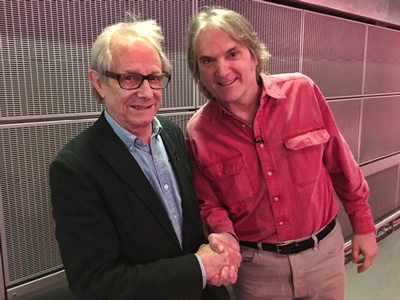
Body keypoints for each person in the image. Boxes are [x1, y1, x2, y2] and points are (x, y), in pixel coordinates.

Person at [185, 7, 378, 300]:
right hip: (257, 272)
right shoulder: (199, 131)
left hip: (324, 256)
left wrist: (363, 225)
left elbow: (340, 163)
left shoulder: (302, 91)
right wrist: (225, 241)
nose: (222, 70)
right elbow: (209, 203)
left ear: (253, 52)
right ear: (197, 69)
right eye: (208, 60)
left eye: (232, 54)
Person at [49, 16, 240, 300]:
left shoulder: (174, 134)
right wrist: (198, 267)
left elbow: (193, 219)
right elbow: (95, 284)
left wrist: (219, 241)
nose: (146, 92)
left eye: (154, 77)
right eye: (129, 78)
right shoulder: (75, 168)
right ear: (99, 82)